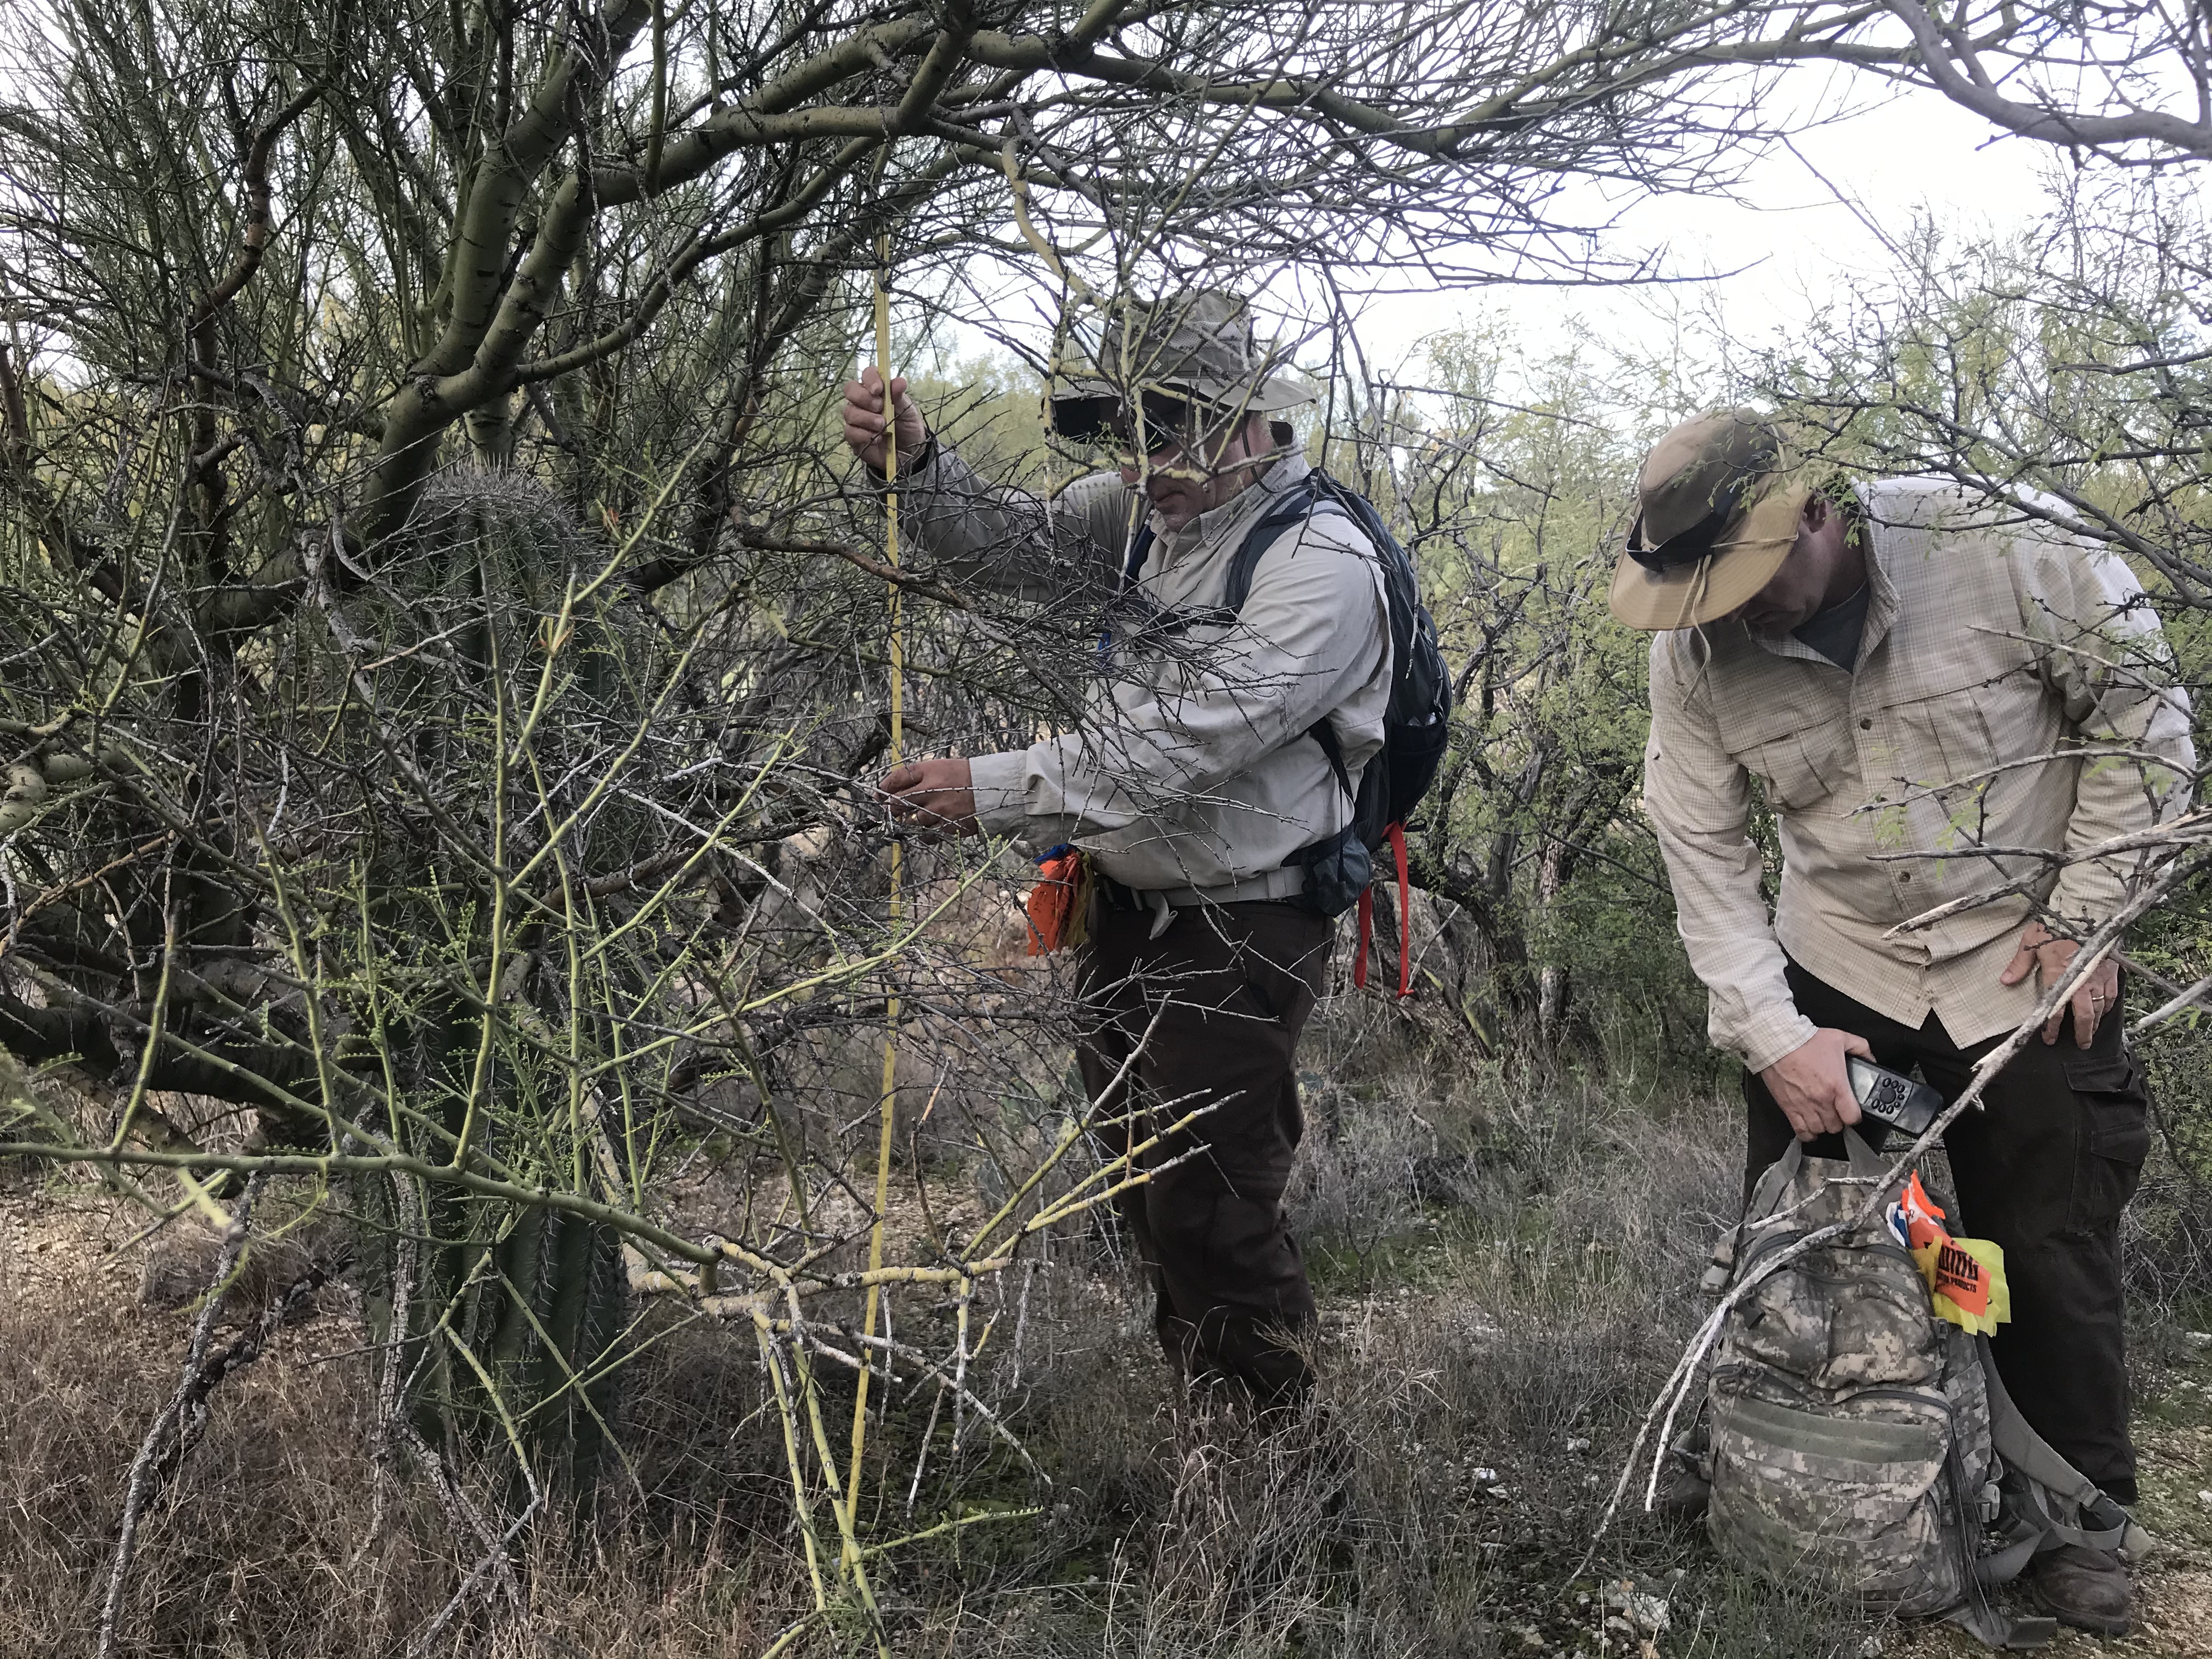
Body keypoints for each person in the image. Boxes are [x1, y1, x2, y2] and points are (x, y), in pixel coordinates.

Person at [1616, 409, 2195, 1636]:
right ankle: (1815, 1482)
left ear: (1819, 512)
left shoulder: (2002, 546)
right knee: (1826, 1248)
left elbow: (2144, 721)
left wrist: (2091, 914)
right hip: (1841, 978)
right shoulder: (1696, 655)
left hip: (2023, 967)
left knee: (2041, 1250)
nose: (1730, 619)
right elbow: (1702, 852)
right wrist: (1774, 1035)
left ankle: (2076, 1518)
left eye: (1749, 582)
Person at [840, 289, 1391, 1403]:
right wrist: (918, 461)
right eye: (1129, 435)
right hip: (1128, 913)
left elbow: (1182, 740)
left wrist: (992, 788)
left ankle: (1293, 1491)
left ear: (1252, 420)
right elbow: (996, 543)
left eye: (1176, 431)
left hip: (1244, 927)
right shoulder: (1135, 513)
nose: (1150, 466)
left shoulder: (1320, 568)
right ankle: (1216, 1451)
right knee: (1147, 1190)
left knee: (1217, 1209)